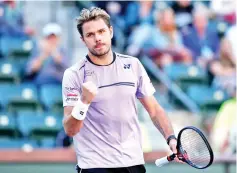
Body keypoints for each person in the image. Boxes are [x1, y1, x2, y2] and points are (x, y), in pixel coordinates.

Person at [62, 7, 179, 173]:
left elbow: (154, 110)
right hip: (95, 166)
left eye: (101, 31)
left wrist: (171, 138)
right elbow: (70, 129)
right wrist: (84, 102)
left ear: (110, 31)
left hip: (132, 163)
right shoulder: (73, 74)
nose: (97, 38)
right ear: (83, 40)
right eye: (90, 35)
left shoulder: (133, 65)